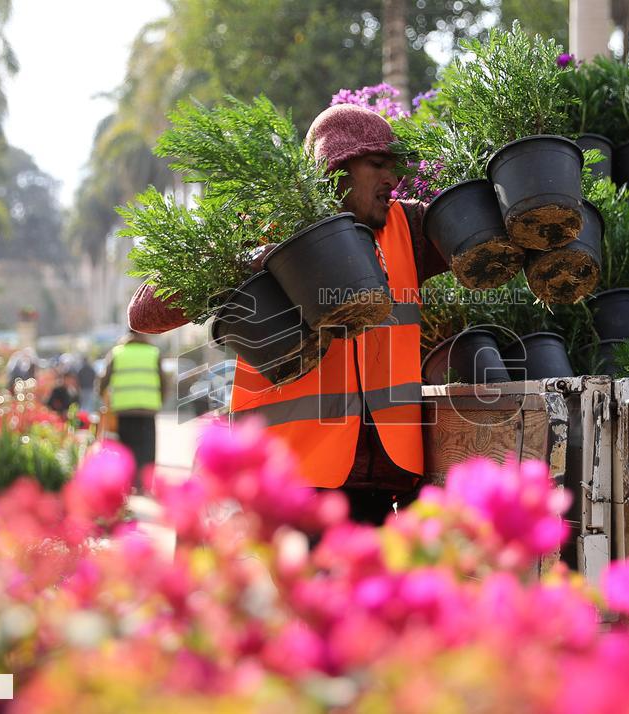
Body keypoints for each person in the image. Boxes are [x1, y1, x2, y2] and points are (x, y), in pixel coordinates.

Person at [128, 104, 449, 524]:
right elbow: (143, 313)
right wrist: (247, 261)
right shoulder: (266, 229)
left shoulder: (407, 228)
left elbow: (497, 233)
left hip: (381, 489)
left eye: (395, 167)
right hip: (286, 487)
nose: (393, 179)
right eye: (377, 164)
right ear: (335, 167)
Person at [98, 330, 166, 489]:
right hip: (148, 409)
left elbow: (103, 381)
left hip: (124, 409)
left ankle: (129, 484)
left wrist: (105, 399)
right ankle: (144, 484)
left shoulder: (117, 353)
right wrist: (159, 400)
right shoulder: (153, 352)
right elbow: (164, 382)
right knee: (147, 448)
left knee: (127, 449)